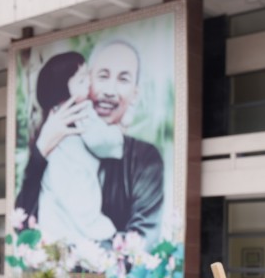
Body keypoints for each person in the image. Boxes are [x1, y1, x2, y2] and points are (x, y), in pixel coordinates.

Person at [15, 39, 164, 250]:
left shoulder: (145, 158)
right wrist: (40, 151)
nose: (109, 91)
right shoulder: (72, 116)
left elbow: (144, 238)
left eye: (123, 79)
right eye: (101, 77)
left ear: (135, 93)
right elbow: (22, 214)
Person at [33, 51, 124, 247]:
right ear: (63, 89)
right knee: (79, 205)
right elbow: (102, 143)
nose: (89, 85)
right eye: (82, 81)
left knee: (56, 210)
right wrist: (116, 135)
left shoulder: (54, 114)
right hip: (73, 177)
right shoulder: (79, 111)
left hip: (61, 183)